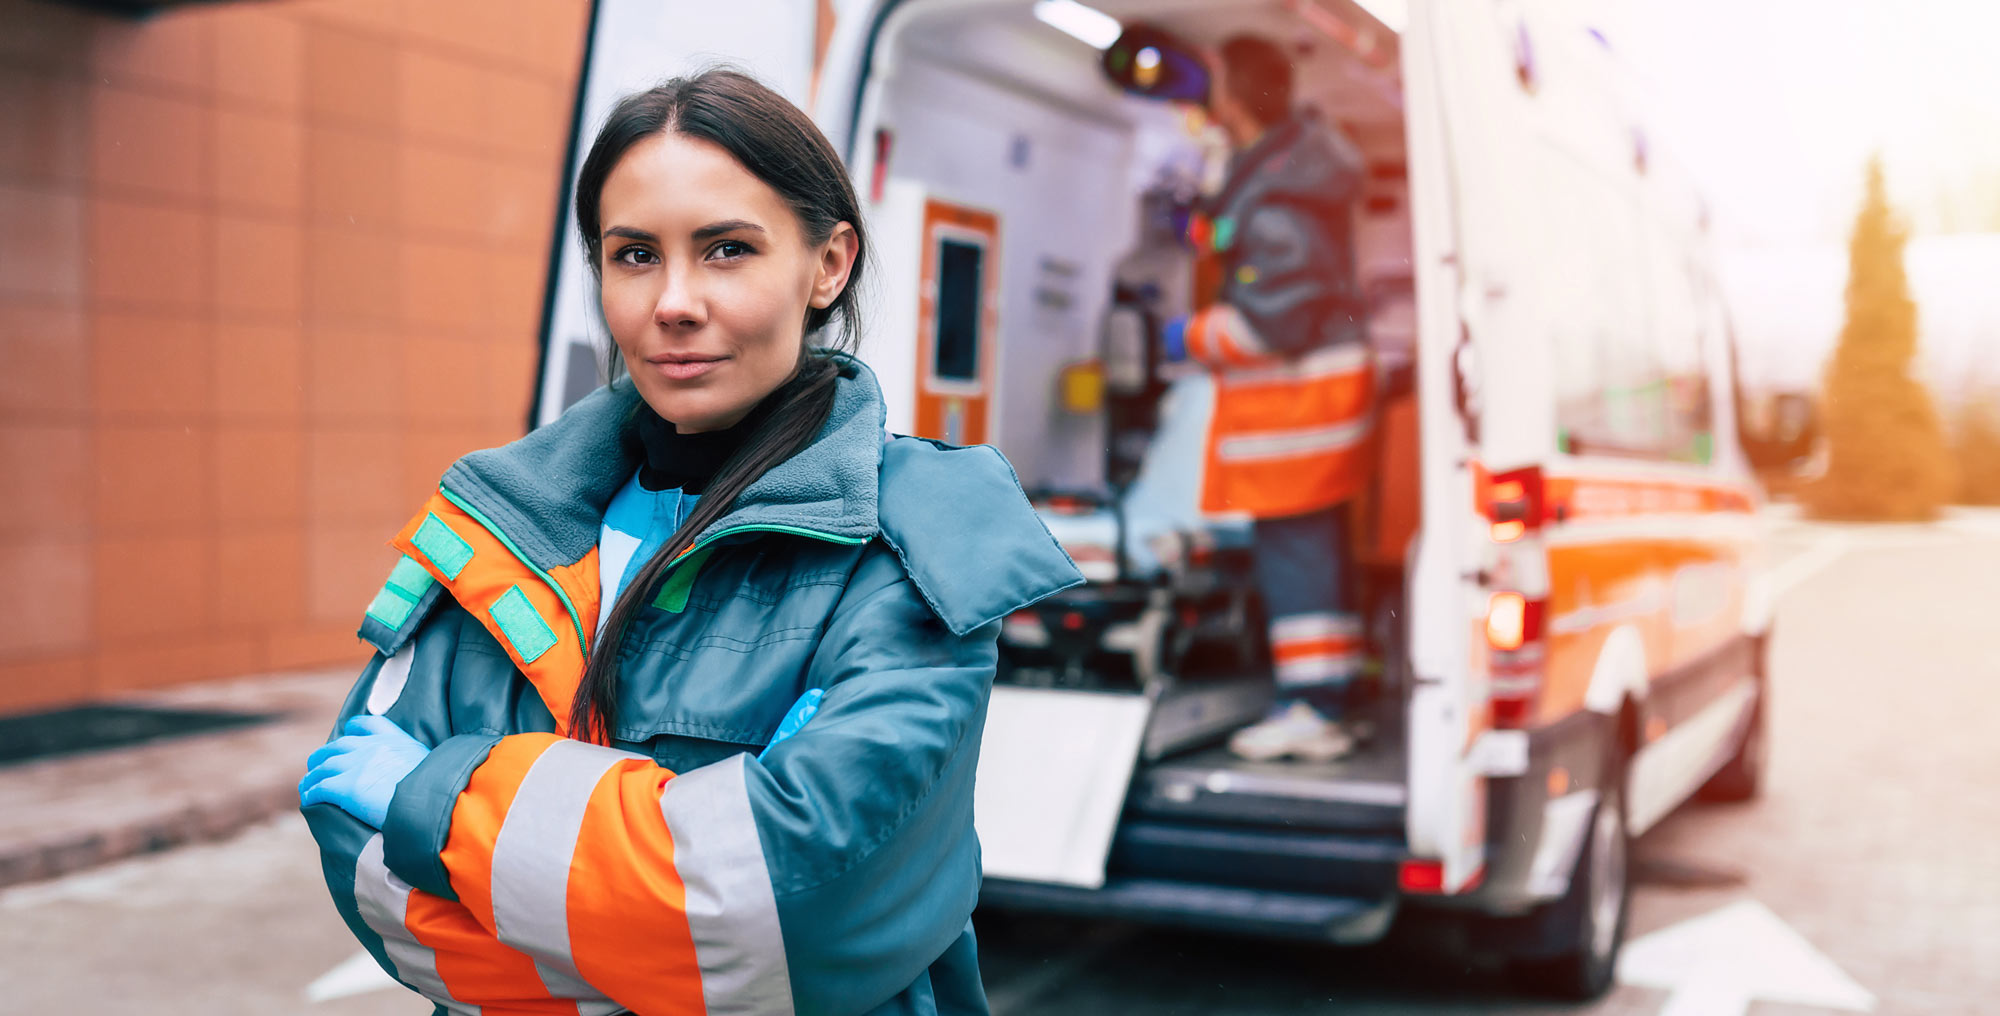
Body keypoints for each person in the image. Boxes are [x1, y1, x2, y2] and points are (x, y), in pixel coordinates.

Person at [296, 70, 1081, 1016]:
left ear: (827, 264)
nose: (673, 301)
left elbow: (801, 921)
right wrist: (672, 881)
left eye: (726, 250)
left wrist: (444, 803)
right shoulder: (500, 521)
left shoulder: (907, 547)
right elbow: (370, 882)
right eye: (633, 256)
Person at [1165, 35, 1375, 762]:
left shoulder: (1280, 194)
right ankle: (1329, 700)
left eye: (1213, 81)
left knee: (1298, 554)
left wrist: (1186, 336)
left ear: (1235, 97)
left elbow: (1274, 322)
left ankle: (1314, 708)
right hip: (1308, 407)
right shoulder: (1285, 175)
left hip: (1299, 407)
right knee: (1308, 549)